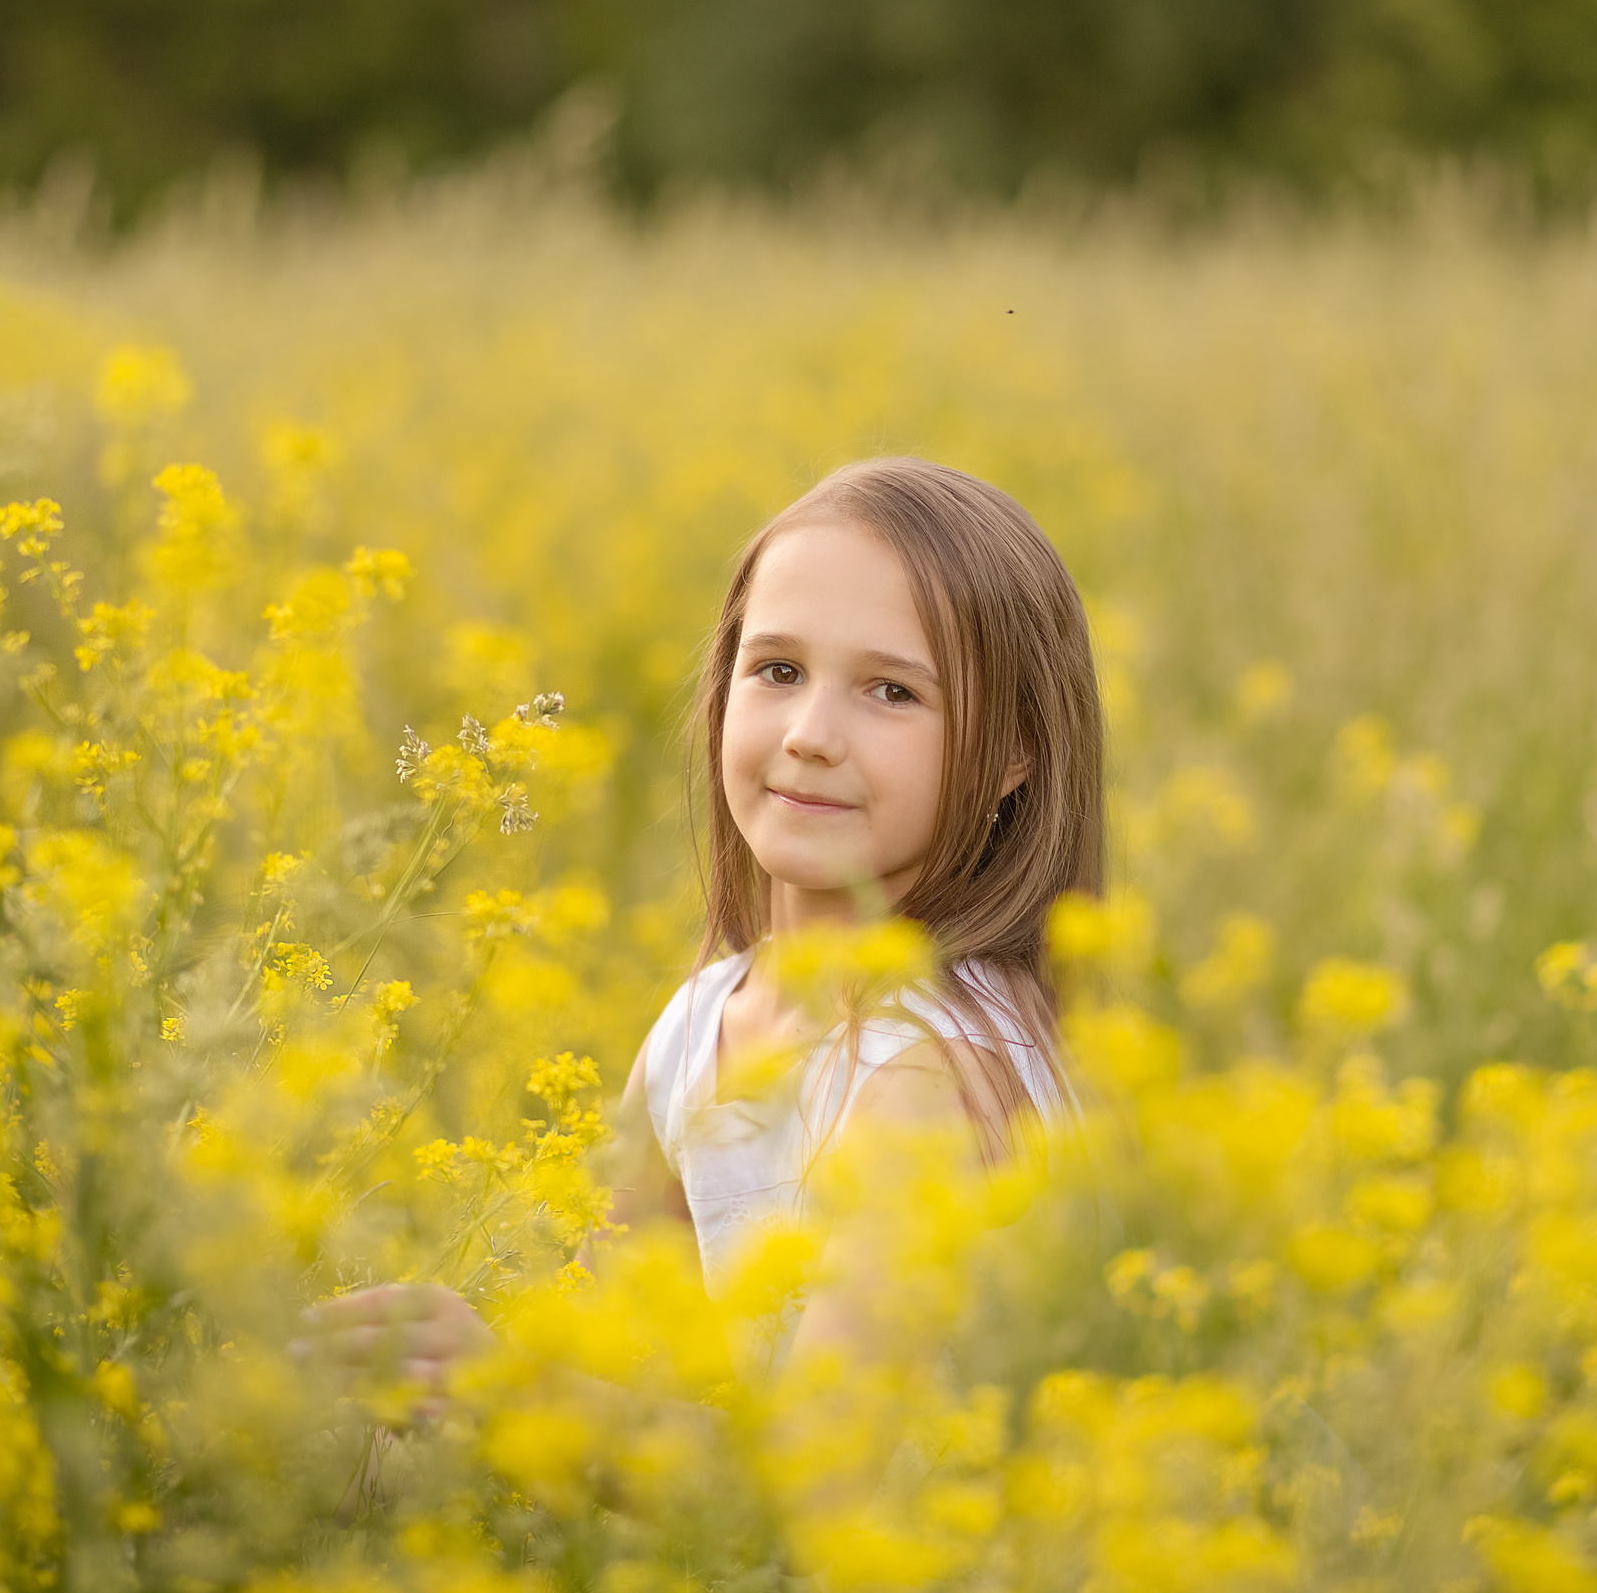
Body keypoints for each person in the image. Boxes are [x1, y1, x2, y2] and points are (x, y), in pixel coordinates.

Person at [304, 453, 1103, 1423]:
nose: (810, 731)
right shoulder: (704, 1023)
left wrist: (505, 1392)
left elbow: (818, 1496)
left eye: (892, 691)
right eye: (777, 669)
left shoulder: (933, 1077)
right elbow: (619, 1366)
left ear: (1016, 750)